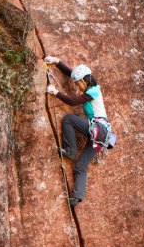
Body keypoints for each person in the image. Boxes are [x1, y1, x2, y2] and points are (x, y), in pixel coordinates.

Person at [44, 56, 109, 207]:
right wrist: (57, 61)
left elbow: (73, 102)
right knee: (80, 165)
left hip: (98, 129)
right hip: (100, 135)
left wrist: (55, 93)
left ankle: (70, 149)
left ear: (85, 80)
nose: (78, 87)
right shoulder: (91, 88)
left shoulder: (93, 91)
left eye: (79, 84)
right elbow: (71, 73)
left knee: (68, 119)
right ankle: (77, 197)